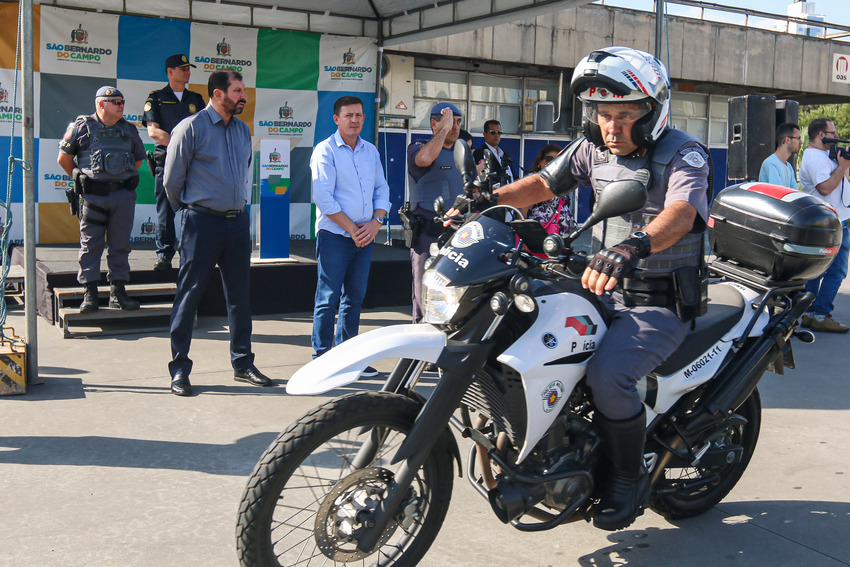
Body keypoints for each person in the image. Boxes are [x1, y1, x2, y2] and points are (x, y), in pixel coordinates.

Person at [453, 47, 710, 531]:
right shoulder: (592, 147)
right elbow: (544, 185)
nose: (611, 127)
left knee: (608, 376)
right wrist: (483, 200)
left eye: (625, 115)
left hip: (656, 299)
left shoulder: (683, 153)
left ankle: (626, 479)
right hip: (598, 285)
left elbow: (682, 213)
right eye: (603, 115)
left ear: (653, 111)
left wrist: (634, 245)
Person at [163, 70, 272, 396]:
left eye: (244, 91)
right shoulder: (191, 128)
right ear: (217, 94)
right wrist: (193, 212)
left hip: (237, 223)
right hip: (202, 223)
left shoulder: (242, 131)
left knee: (240, 298)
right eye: (237, 91)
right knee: (189, 296)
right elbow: (171, 181)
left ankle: (243, 363)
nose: (243, 97)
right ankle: (180, 370)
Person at [310, 96, 391, 375]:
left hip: (365, 235)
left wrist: (376, 222)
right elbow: (323, 197)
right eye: (348, 115)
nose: (354, 120)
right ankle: (322, 358)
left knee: (354, 298)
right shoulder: (326, 151)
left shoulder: (370, 151)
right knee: (328, 297)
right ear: (336, 119)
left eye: (358, 115)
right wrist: (353, 229)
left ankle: (348, 358)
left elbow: (382, 190)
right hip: (336, 236)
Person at [57, 86, 146, 314]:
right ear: (101, 104)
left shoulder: (129, 130)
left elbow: (137, 161)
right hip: (93, 197)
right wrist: (80, 176)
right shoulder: (81, 127)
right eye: (115, 102)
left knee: (121, 245)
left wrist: (117, 177)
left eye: (122, 101)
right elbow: (64, 159)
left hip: (122, 197)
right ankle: (90, 294)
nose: (121, 105)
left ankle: (118, 293)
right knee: (90, 244)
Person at [142, 53, 206, 272]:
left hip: (193, 164)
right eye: (183, 68)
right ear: (170, 72)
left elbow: (206, 130)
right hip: (166, 163)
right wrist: (180, 145)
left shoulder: (196, 98)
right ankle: (164, 256)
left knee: (195, 211)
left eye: (189, 68)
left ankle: (192, 254)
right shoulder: (156, 97)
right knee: (165, 212)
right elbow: (153, 131)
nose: (188, 71)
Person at [406, 102, 463, 323]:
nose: (455, 127)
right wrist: (444, 131)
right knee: (424, 291)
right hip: (427, 233)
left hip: (457, 233)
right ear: (434, 123)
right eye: (449, 121)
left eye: (458, 122)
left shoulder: (461, 151)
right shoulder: (418, 146)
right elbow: (424, 160)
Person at [798, 118, 850, 333]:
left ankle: (811, 314)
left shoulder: (824, 156)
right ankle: (819, 314)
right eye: (833, 133)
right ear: (821, 135)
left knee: (821, 271)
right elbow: (825, 188)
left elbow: (839, 182)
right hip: (828, 223)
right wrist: (843, 166)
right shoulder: (815, 158)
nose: (836, 136)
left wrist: (842, 165)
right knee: (833, 271)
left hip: (835, 220)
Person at [522, 144, 573, 250]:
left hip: (560, 237)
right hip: (539, 234)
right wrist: (524, 239)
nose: (552, 162)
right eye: (548, 159)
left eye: (557, 159)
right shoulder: (534, 180)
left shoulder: (563, 180)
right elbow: (522, 210)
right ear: (540, 162)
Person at [758, 122, 802, 189]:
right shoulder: (771, 164)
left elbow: (795, 193)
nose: (801, 142)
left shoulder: (789, 166)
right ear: (787, 140)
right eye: (798, 138)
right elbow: (779, 193)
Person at [473, 119, 516, 185]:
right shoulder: (479, 154)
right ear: (485, 134)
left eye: (499, 133)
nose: (497, 135)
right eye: (493, 132)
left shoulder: (504, 154)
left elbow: (514, 176)